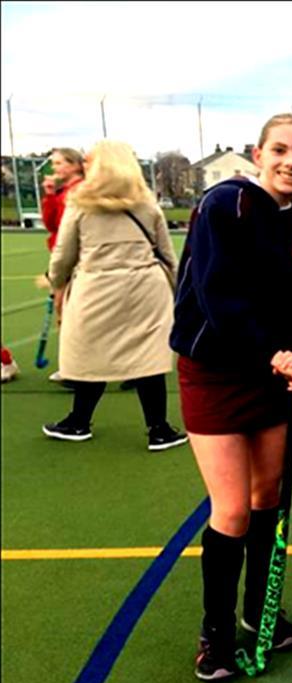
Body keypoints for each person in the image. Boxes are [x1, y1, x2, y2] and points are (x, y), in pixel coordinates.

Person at [170, 113, 292, 681]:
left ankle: (260, 610)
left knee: (267, 498)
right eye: (280, 150)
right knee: (231, 509)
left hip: (271, 374)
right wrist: (276, 353)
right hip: (217, 371)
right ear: (259, 153)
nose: (291, 163)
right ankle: (214, 632)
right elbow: (219, 297)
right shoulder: (225, 204)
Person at [41, 139, 186, 450]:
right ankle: (159, 429)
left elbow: (64, 254)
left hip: (96, 289)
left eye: (89, 161)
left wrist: (56, 282)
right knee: (147, 359)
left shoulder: (80, 203)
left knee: (91, 355)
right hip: (145, 290)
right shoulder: (146, 202)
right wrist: (179, 292)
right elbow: (167, 254)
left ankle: (78, 421)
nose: (84, 166)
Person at [41, 147, 86, 383]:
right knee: (66, 313)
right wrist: (49, 196)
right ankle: (75, 366)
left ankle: (77, 368)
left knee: (70, 314)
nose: (54, 168)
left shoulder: (79, 192)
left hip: (74, 261)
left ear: (75, 165)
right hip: (63, 257)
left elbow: (70, 234)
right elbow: (51, 225)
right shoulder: (63, 193)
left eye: (59, 163)